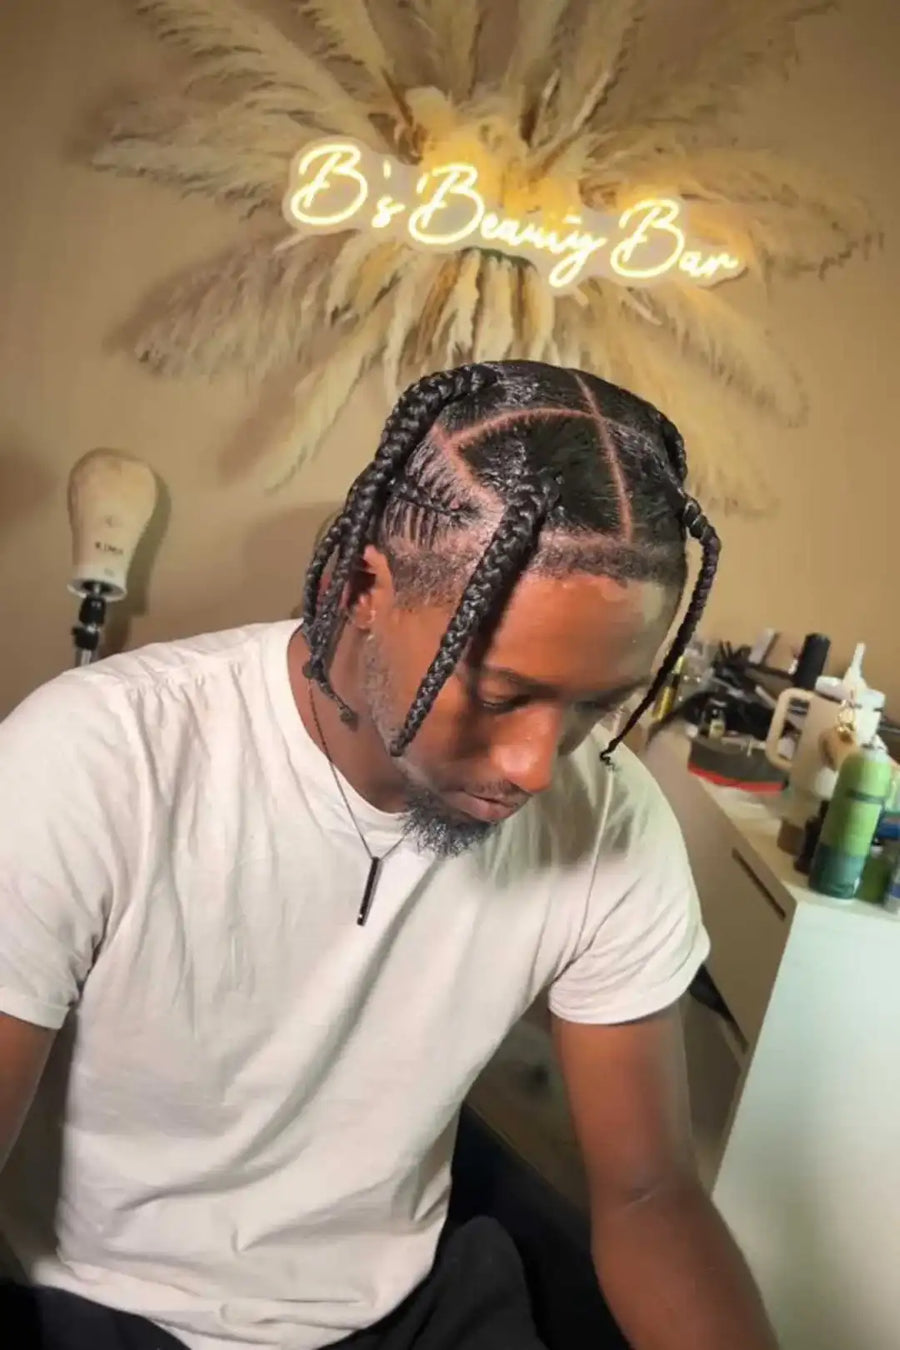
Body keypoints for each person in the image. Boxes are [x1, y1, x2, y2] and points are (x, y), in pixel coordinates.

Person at [0, 360, 777, 1350]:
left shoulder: (612, 823)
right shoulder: (98, 760)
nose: (540, 766)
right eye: (500, 693)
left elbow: (650, 1191)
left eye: (596, 706)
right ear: (360, 584)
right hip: (110, 1309)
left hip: (404, 1310)